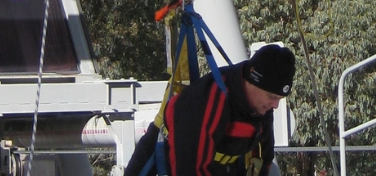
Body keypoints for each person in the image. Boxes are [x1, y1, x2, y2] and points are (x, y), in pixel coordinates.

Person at [124, 44, 295, 176]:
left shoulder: (260, 106)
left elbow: (264, 156)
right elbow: (189, 167)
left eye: (279, 99)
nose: (275, 105)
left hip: (223, 164)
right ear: (253, 81)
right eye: (272, 97)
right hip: (171, 149)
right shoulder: (211, 99)